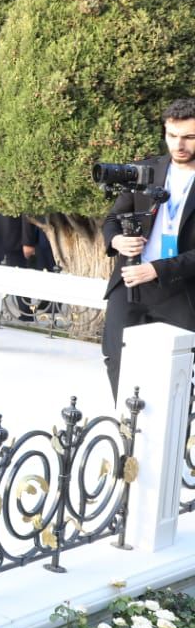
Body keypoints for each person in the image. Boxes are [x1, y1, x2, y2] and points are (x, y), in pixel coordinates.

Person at [102, 99, 195, 401]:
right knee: (117, 361)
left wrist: (156, 269)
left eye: (189, 137)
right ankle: (128, 438)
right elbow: (112, 220)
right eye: (172, 135)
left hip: (182, 292)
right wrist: (116, 240)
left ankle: (167, 446)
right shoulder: (144, 171)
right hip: (129, 284)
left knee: (176, 377)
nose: (178, 144)